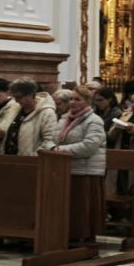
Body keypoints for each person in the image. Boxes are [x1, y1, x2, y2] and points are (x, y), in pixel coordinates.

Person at [52, 85, 108, 244]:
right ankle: (67, 235)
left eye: (77, 99)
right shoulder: (64, 118)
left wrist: (59, 150)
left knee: (80, 208)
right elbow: (53, 137)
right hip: (65, 169)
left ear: (88, 102)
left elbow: (89, 146)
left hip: (85, 171)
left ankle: (83, 238)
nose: (72, 102)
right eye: (71, 99)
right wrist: (48, 147)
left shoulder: (94, 121)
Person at [3, 78, 58, 157]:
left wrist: (33, 157)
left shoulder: (47, 113)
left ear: (30, 95)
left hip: (30, 163)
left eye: (18, 97)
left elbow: (49, 141)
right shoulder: (15, 109)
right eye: (14, 97)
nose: (16, 101)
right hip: (9, 159)